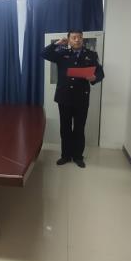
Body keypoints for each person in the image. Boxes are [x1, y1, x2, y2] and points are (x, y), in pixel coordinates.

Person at [41, 30, 104, 168]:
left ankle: (78, 156)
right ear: (69, 40)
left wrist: (94, 78)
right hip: (64, 97)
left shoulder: (91, 55)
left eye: (80, 37)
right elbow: (44, 53)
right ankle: (65, 155)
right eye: (74, 37)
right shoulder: (62, 53)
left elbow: (100, 72)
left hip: (82, 97)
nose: (77, 40)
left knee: (79, 128)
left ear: (82, 39)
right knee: (65, 128)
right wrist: (57, 43)